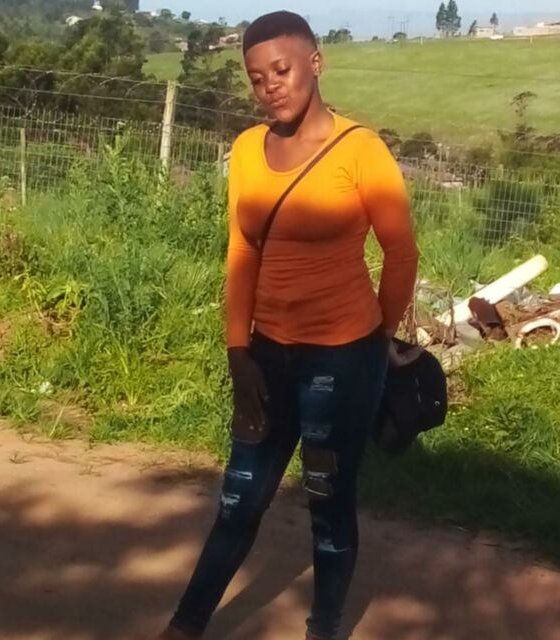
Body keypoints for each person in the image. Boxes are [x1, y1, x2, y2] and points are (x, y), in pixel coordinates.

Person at [158, 11, 419, 640]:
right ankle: (185, 627)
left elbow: (401, 254)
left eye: (281, 70)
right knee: (238, 501)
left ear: (315, 63)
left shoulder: (361, 150)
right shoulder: (248, 150)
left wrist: (379, 340)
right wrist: (237, 349)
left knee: (328, 504)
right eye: (256, 78)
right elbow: (242, 249)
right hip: (267, 357)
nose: (270, 86)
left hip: (343, 360)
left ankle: (323, 628)